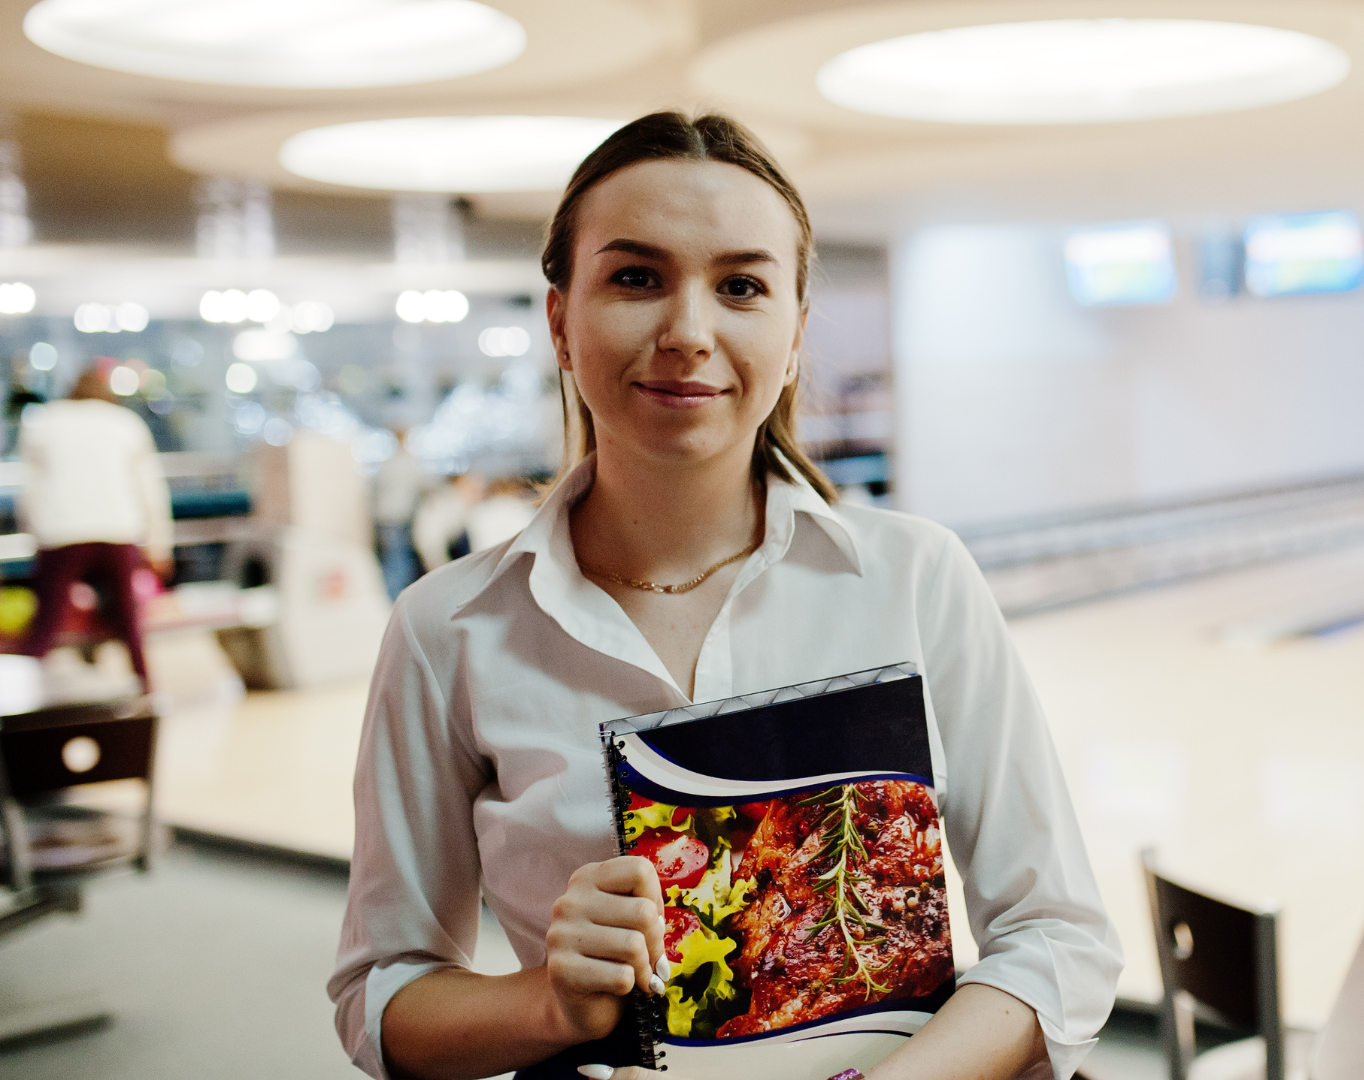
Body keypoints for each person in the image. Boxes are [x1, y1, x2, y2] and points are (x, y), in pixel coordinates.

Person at [329, 112, 1121, 1080]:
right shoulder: (447, 630)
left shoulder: (916, 577)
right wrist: (544, 1002)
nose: (688, 332)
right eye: (636, 278)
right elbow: (382, 995)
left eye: (741, 285)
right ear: (559, 322)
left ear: (792, 333)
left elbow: (1058, 936)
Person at [16, 369, 172, 690]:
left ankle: (23, 698)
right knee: (128, 623)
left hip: (61, 533)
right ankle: (145, 692)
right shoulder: (125, 423)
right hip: (117, 531)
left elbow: (28, 489)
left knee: (46, 624)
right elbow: (150, 491)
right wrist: (159, 546)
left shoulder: (45, 421)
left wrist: (35, 535)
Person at [372, 427, 431, 599]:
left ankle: (392, 599)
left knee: (392, 559)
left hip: (385, 518)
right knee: (400, 560)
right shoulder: (409, 463)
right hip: (400, 518)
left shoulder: (385, 464)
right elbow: (424, 486)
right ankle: (397, 599)